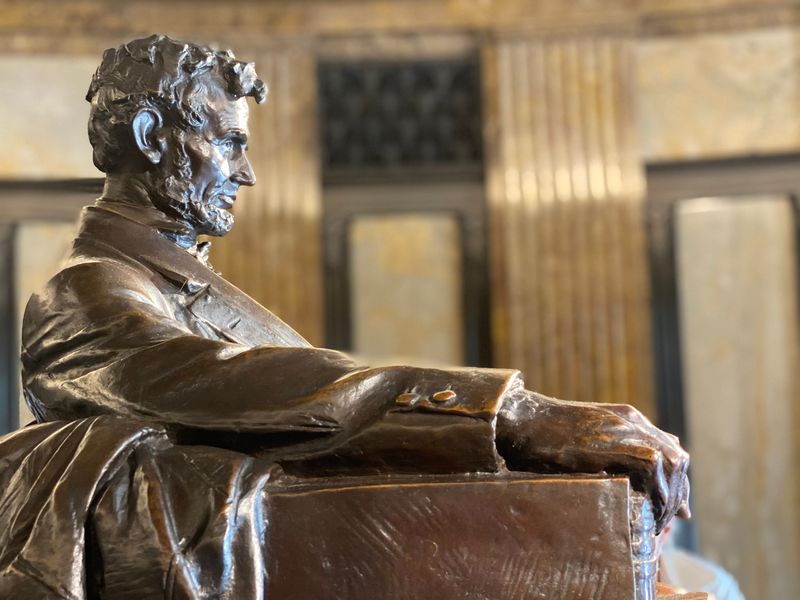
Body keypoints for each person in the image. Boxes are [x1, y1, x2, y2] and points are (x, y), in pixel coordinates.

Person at [2, 34, 689, 597]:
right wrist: (513, 414)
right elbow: (240, 386)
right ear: (152, 133)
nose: (246, 174)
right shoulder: (87, 292)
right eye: (231, 143)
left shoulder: (177, 284)